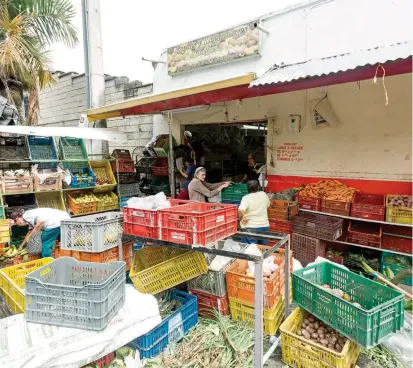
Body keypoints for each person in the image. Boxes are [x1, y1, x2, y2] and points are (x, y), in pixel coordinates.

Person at [238, 180, 270, 245]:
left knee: (250, 251)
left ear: (247, 188)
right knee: (263, 250)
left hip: (250, 227)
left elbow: (241, 210)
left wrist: (242, 217)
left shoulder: (246, 198)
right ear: (258, 187)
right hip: (264, 226)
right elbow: (268, 205)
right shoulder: (264, 194)